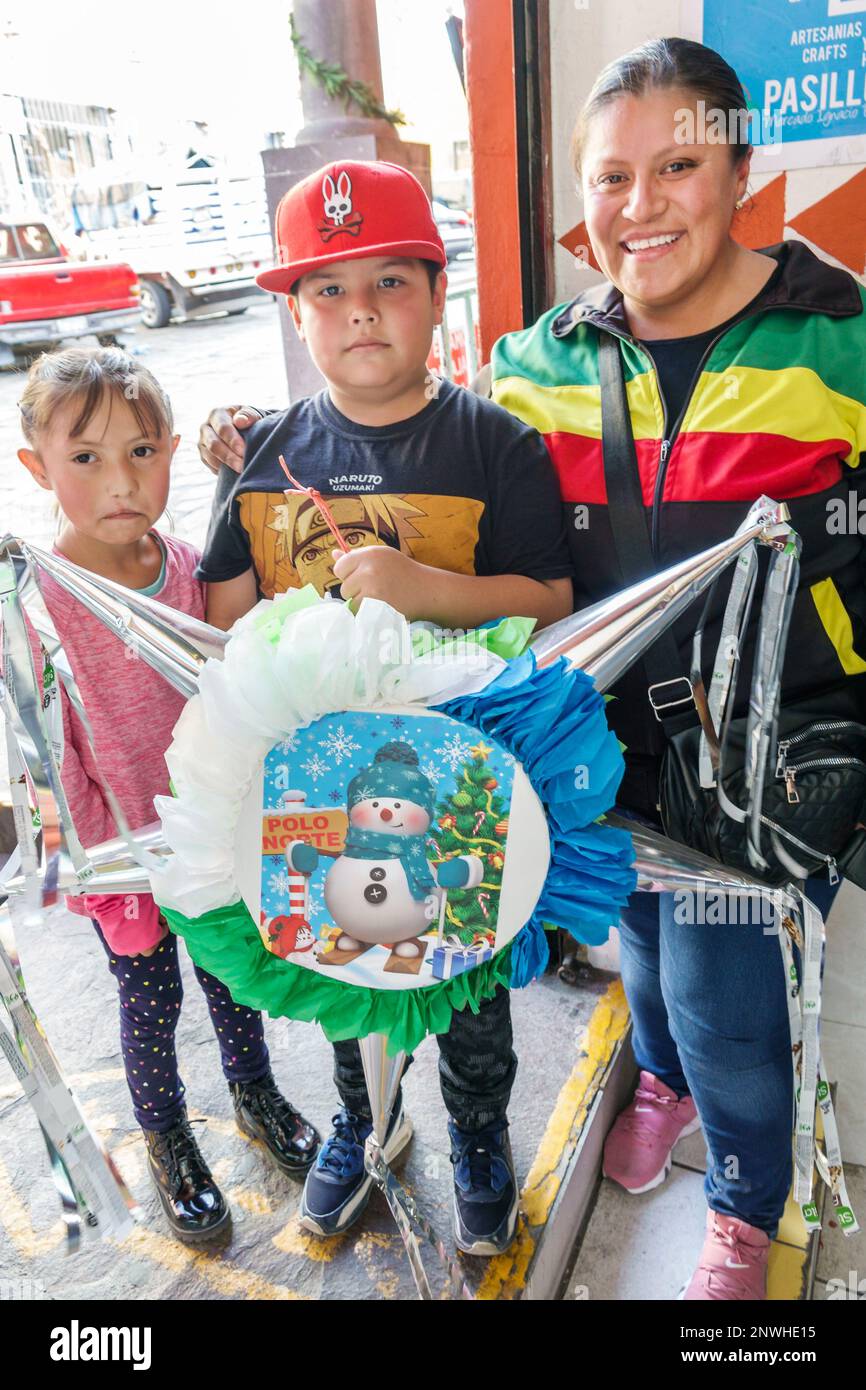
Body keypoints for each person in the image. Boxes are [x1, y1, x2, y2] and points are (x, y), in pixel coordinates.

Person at [200, 45, 866, 1299]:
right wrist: (245, 435)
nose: (641, 204)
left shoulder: (842, 341)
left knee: (730, 1000)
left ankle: (742, 1208)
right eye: (611, 176)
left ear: (739, 167)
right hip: (593, 741)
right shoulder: (539, 363)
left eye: (676, 165)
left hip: (762, 760)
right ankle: (655, 1084)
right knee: (640, 949)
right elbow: (396, 423)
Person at [195, 158, 574, 1254]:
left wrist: (432, 595)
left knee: (467, 980)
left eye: (389, 281)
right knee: (335, 971)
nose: (359, 307)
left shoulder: (492, 445)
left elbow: (550, 599)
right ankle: (363, 1122)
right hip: (309, 794)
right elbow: (221, 616)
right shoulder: (261, 455)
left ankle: (477, 1134)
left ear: (437, 293)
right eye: (326, 287)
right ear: (293, 313)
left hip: (460, 783)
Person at [14, 347, 320, 1243]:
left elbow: (236, 695)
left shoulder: (192, 569)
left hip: (216, 839)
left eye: (142, 453)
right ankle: (168, 1139)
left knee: (235, 982)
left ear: (175, 451)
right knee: (150, 1003)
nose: (121, 482)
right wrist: (105, 872)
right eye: (86, 458)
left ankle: (257, 1095)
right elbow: (51, 757)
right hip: (127, 861)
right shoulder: (35, 604)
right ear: (36, 469)